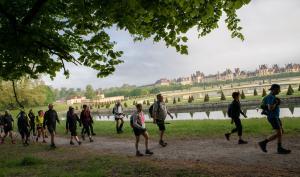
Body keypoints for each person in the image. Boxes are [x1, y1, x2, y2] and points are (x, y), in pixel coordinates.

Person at [258, 84, 291, 154]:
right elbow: (270, 108)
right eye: (278, 89)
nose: (279, 91)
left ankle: (264, 143)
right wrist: (276, 103)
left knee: (281, 132)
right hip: (272, 117)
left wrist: (276, 102)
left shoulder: (271, 96)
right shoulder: (270, 97)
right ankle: (279, 148)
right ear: (274, 89)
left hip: (275, 117)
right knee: (279, 132)